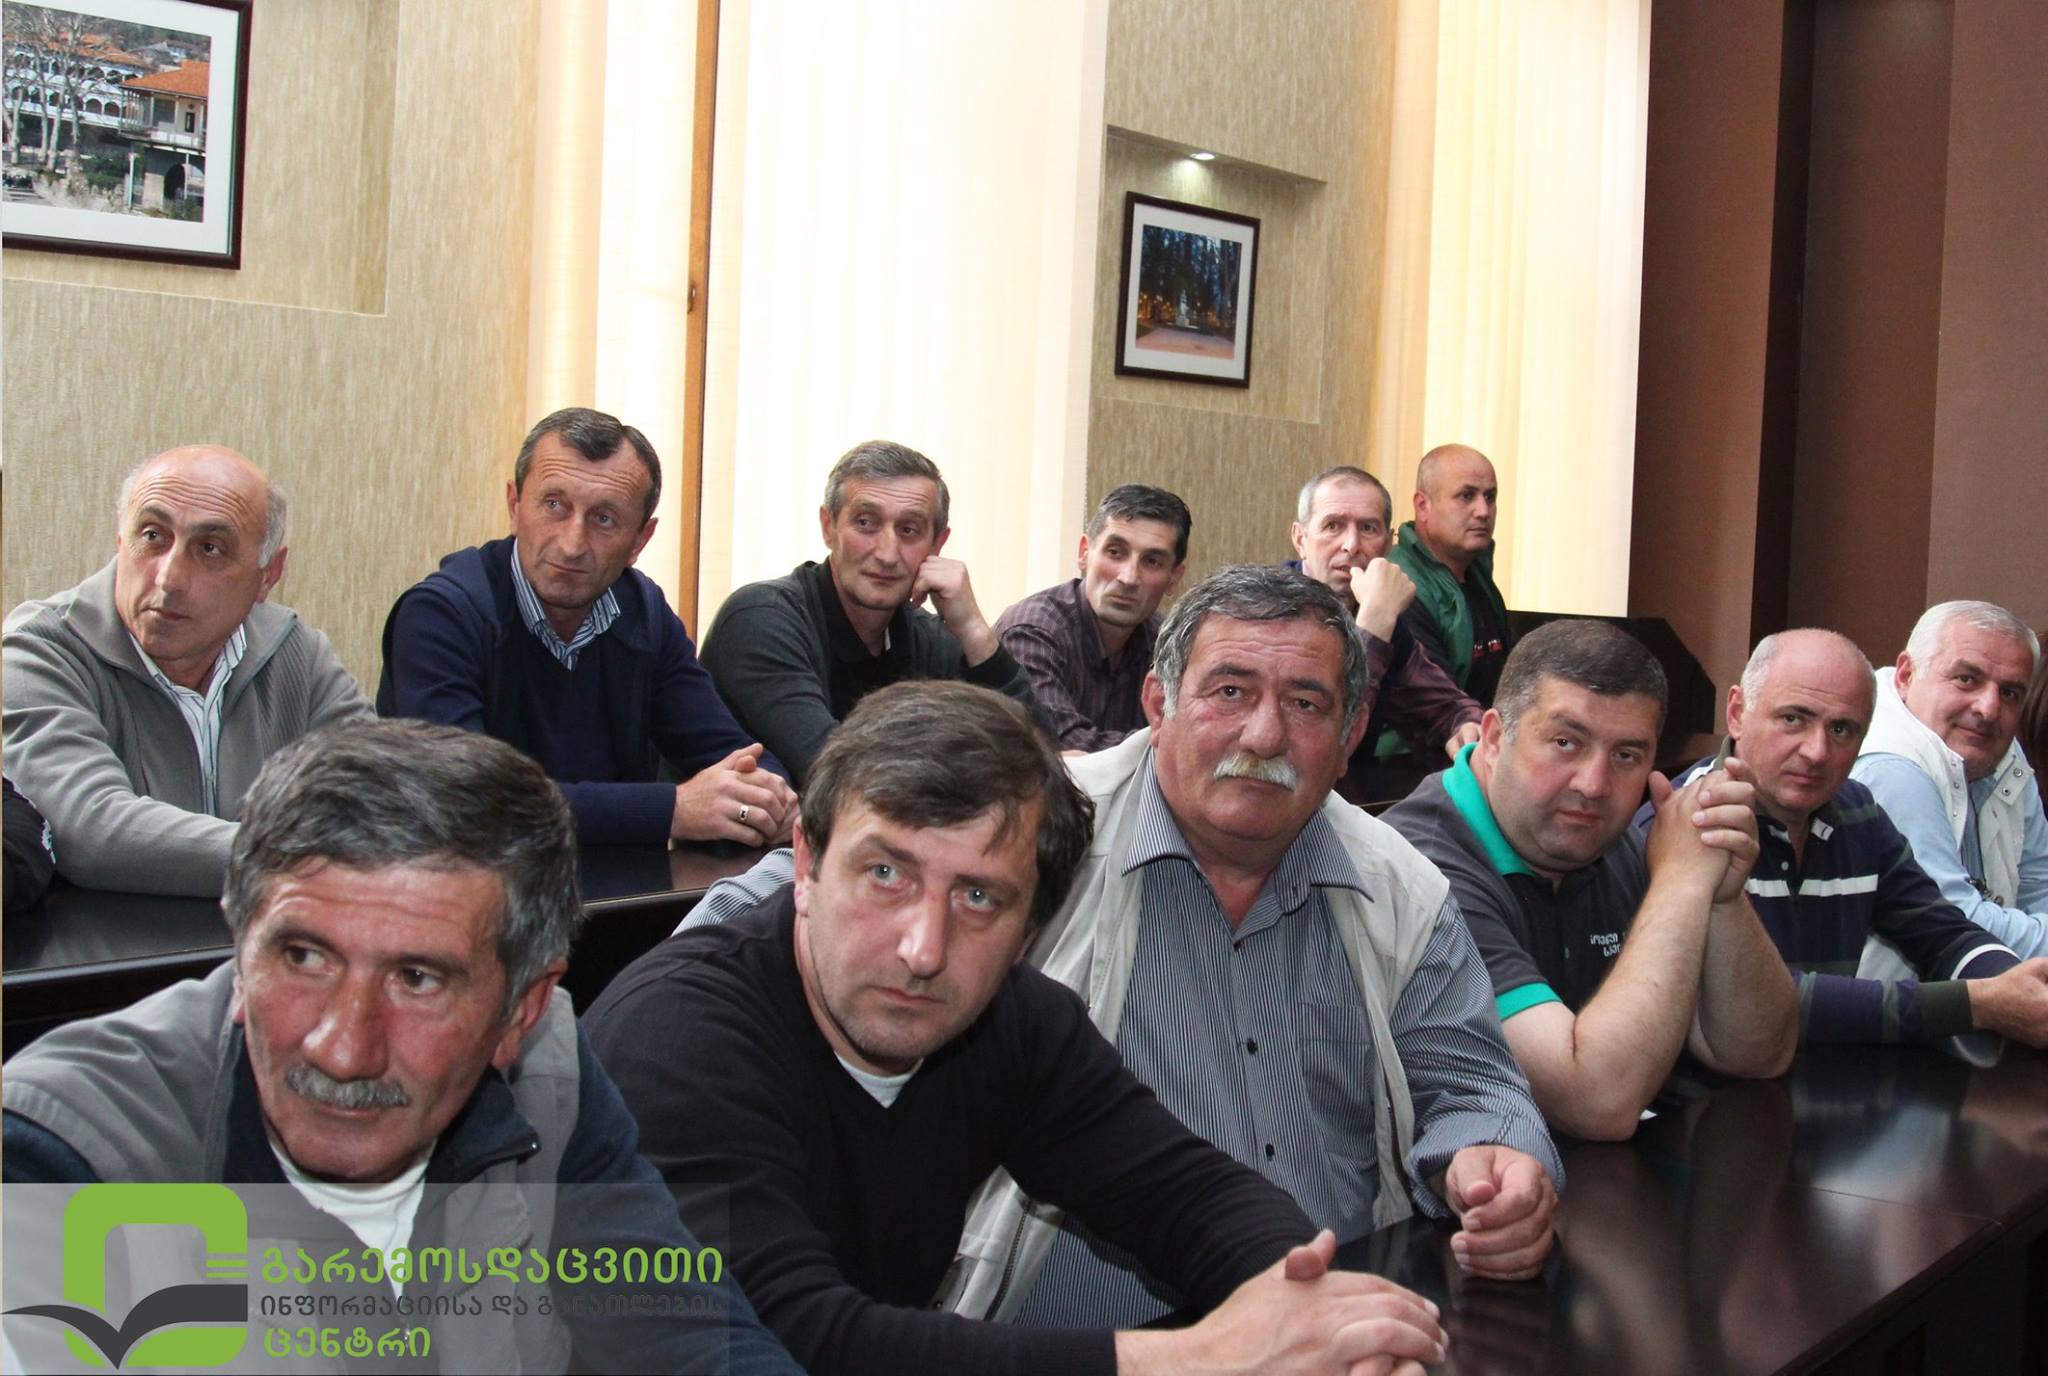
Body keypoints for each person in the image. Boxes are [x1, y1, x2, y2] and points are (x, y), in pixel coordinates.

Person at [586, 681, 1452, 1376]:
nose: (924, 950)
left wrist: (1320, 1312)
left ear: (1032, 925)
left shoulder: (1012, 1022)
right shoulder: (677, 1041)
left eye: (978, 897)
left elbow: (1187, 1193)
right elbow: (798, 1339)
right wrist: (1198, 1358)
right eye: (886, 873)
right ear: (806, 865)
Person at [1, 719, 800, 1374]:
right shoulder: (61, 1156)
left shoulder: (549, 1076)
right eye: (303, 958)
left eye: (417, 980)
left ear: (518, 1012)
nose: (343, 1050)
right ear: (240, 952)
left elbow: (697, 1342)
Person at [1384, 620, 1799, 1141]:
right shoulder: (1419, 869)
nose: (1595, 785)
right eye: (1565, 742)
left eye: (1626, 755)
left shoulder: (1609, 843)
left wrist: (1722, 895)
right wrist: (1680, 882)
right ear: (1493, 738)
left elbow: (1759, 1053)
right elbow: (1594, 1102)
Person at [378, 407, 796, 847]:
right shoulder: (441, 615)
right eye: (554, 505)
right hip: (461, 884)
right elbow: (465, 801)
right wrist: (673, 810)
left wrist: (770, 797)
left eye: (604, 519)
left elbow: (735, 754)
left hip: (619, 888)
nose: (572, 544)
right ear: (514, 506)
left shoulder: (643, 613)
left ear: (640, 540)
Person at [2, 445, 369, 896]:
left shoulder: (297, 654)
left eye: (210, 549)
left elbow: (379, 802)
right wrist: (305, 864)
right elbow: (92, 829)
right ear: (120, 540)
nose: (169, 579)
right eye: (152, 536)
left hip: (268, 935)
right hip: (112, 942)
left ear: (268, 575)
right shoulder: (40, 650)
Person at [1662, 628, 2048, 1055]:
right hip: (1710, 1091)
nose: (1817, 751)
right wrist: (1977, 1004)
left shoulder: (1857, 812)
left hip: (1826, 1083)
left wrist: (2021, 988)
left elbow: (1943, 933)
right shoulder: (1687, 819)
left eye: (1842, 729)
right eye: (1793, 719)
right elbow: (1760, 1004)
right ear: (1737, 712)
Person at [699, 439, 1038, 785]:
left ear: (937, 544)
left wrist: (974, 630)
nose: (887, 554)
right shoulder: (761, 620)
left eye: (909, 530)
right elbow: (838, 775)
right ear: (828, 527)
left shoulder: (930, 637)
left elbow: (1038, 764)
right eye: (865, 523)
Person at [1853, 600, 2048, 961]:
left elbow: (2040, 888)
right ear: (1906, 675)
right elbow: (1955, 925)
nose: (1988, 709)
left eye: (2009, 692)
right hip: (1904, 997)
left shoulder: (2004, 753)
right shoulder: (1891, 769)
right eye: (1966, 679)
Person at [1287, 466, 1482, 782]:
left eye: (1368, 528)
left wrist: (1463, 724)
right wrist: (1375, 620)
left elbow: (1442, 704)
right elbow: (1328, 741)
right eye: (1333, 526)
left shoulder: (1378, 611)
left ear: (1388, 544)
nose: (1351, 545)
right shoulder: (1273, 616)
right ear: (1300, 539)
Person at [994, 484, 1190, 751]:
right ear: (1084, 553)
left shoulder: (1166, 643)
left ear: (1174, 578)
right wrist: (1166, 747)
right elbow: (1058, 745)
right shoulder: (1032, 631)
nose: (1128, 577)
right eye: (1115, 552)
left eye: (1152, 561)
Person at [1387, 444, 1513, 705]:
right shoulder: (1401, 585)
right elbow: (1437, 705)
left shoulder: (1475, 571)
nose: (1483, 511)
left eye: (1490, 497)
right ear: (1423, 506)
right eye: (1466, 496)